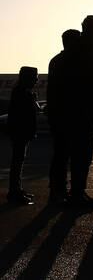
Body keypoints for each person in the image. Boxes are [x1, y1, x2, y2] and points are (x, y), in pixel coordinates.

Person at [65, 15, 93, 207]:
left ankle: (77, 192)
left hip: (82, 108)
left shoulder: (81, 46)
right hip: (82, 109)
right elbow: (90, 79)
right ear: (91, 29)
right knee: (82, 154)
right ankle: (77, 193)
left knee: (81, 154)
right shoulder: (86, 48)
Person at [47, 28, 81, 203]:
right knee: (62, 155)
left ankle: (59, 189)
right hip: (64, 114)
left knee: (61, 154)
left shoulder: (57, 60)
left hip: (60, 114)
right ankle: (57, 191)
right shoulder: (67, 61)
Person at [7, 66, 39, 204]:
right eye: (34, 78)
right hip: (20, 133)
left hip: (21, 133)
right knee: (17, 162)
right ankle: (14, 191)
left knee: (19, 161)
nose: (36, 80)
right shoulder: (22, 94)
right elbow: (25, 114)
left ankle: (17, 189)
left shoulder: (21, 92)